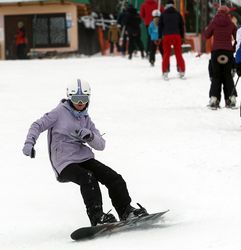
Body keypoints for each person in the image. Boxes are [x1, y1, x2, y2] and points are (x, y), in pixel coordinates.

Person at [22, 79, 148, 226]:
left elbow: (101, 145)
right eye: (76, 99)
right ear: (69, 97)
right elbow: (37, 125)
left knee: (114, 178)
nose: (80, 102)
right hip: (64, 161)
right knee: (88, 178)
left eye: (84, 99)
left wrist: (90, 136)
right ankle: (97, 217)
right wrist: (29, 143)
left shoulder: (86, 119)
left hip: (83, 158)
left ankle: (126, 211)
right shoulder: (58, 113)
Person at [204, 5, 237, 109]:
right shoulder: (231, 24)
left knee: (216, 76)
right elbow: (238, 38)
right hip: (228, 52)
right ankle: (231, 98)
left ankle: (214, 99)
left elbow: (206, 35)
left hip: (216, 52)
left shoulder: (214, 22)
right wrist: (233, 47)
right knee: (228, 75)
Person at [158, 0, 185, 80]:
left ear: (166, 5)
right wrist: (182, 37)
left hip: (166, 36)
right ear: (173, 5)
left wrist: (160, 36)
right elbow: (182, 26)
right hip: (176, 35)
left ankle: (165, 72)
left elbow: (160, 26)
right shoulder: (178, 14)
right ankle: (182, 71)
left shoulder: (163, 14)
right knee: (178, 53)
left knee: (166, 54)